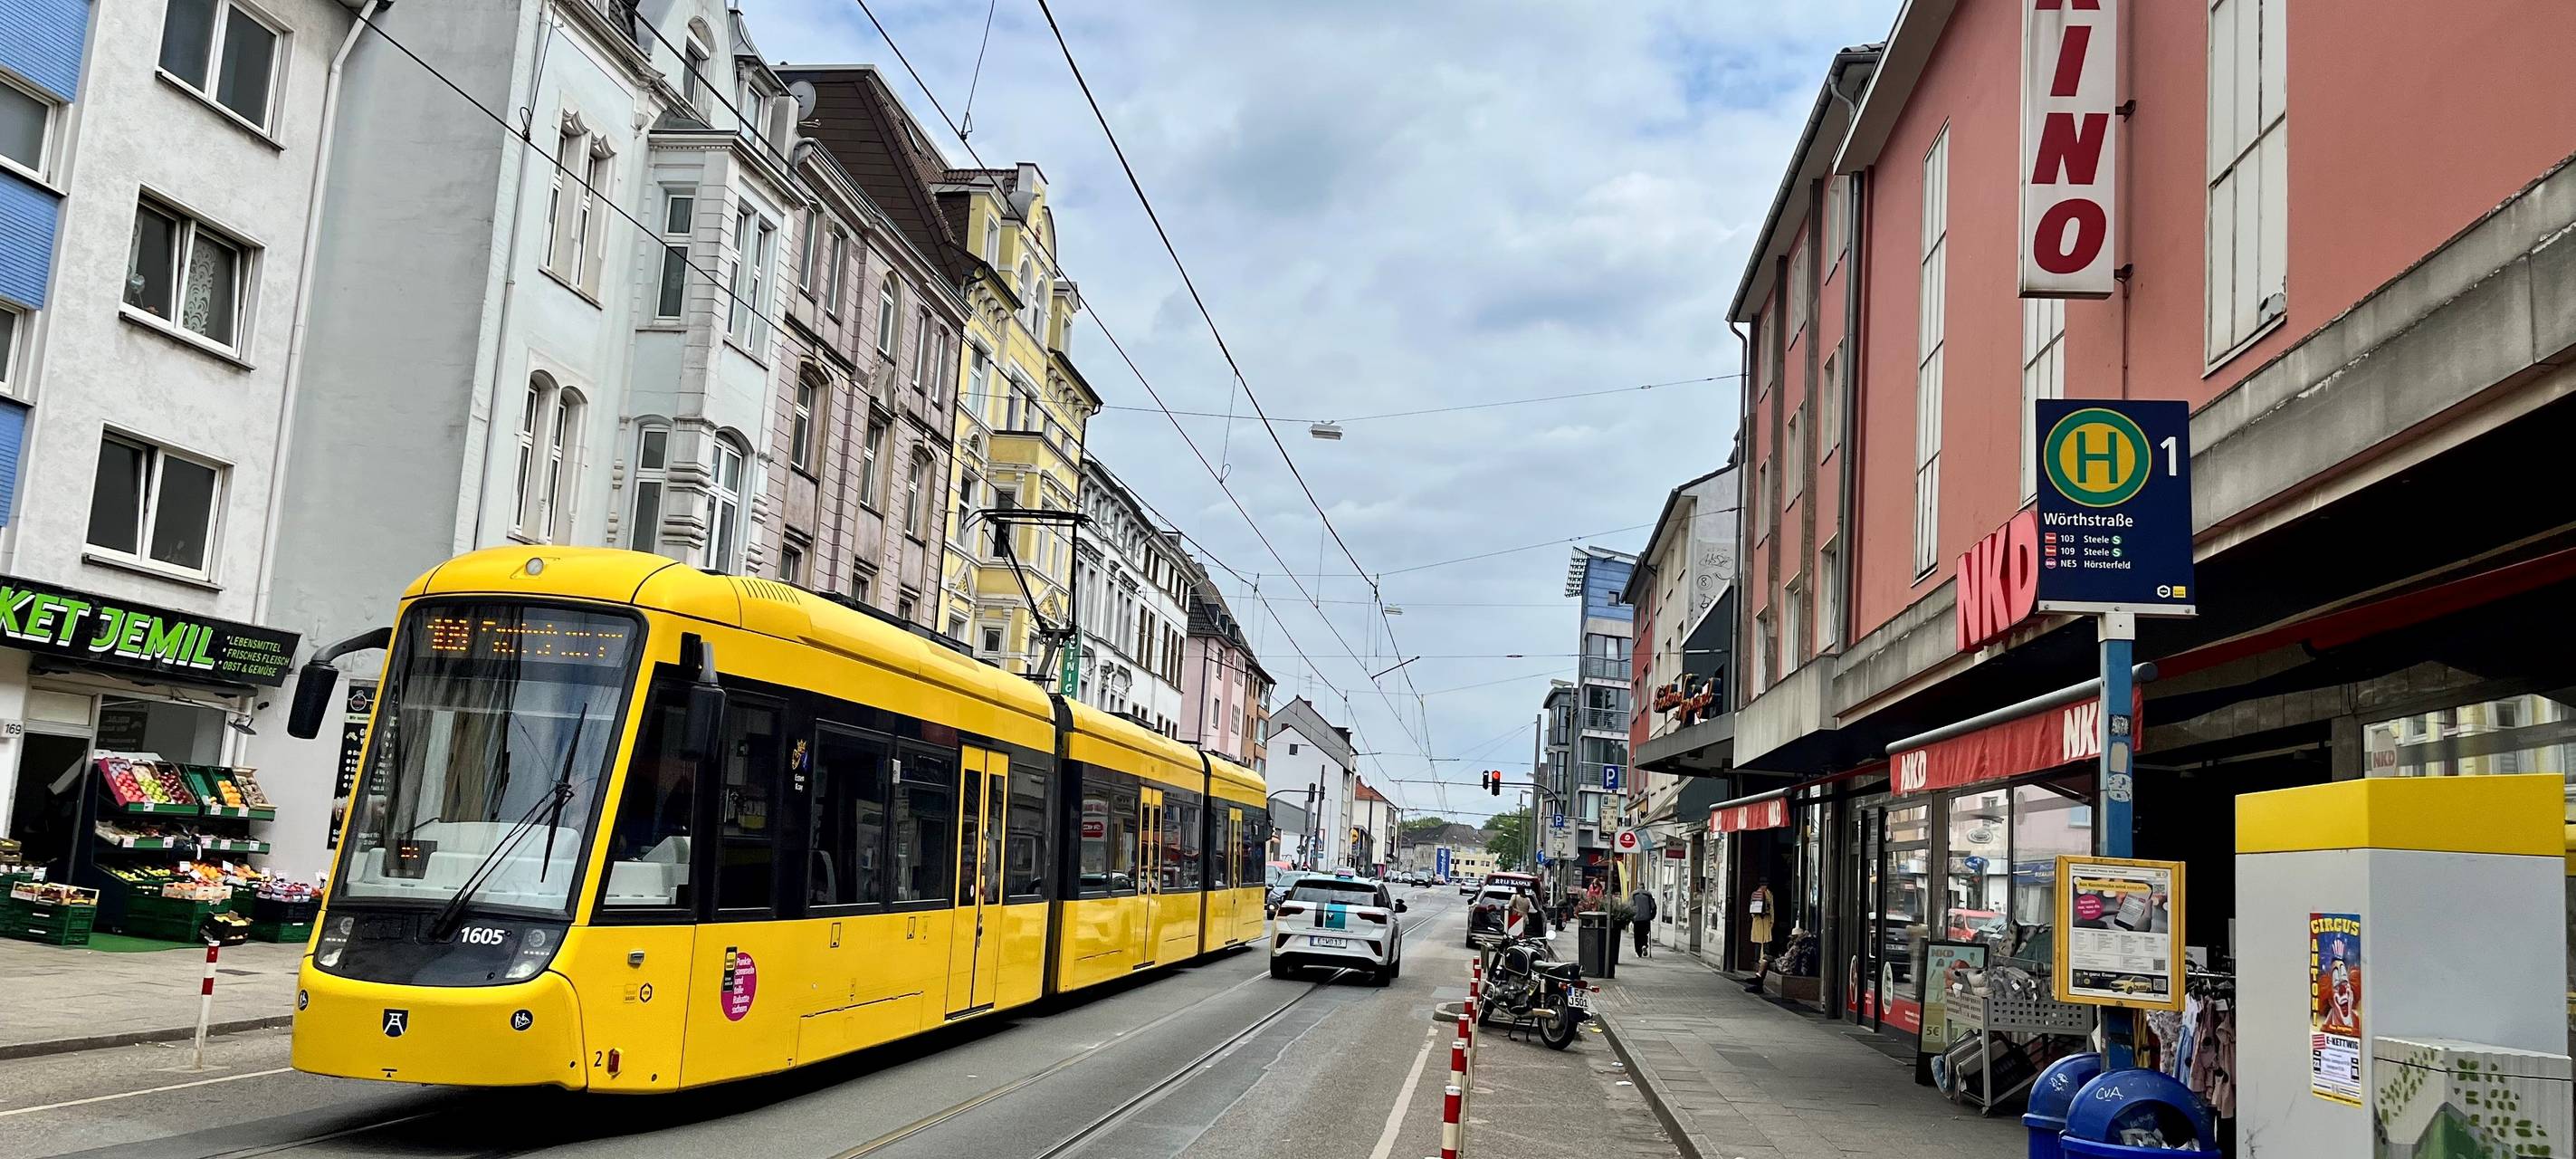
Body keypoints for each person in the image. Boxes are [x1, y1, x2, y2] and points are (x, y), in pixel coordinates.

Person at [1743, 878, 1777, 993]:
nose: (1764, 887)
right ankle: (1757, 959)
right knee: (1759, 941)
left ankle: (1763, 959)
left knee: (1765, 940)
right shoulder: (1758, 894)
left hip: (1764, 921)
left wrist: (1772, 920)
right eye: (1763, 885)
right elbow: (1754, 908)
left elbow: (1771, 908)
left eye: (1765, 885)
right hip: (1760, 921)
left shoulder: (1767, 894)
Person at [1628, 885, 1657, 956]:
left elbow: (1630, 906)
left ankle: (1638, 952)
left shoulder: (1634, 894)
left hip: (1636, 918)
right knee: (1644, 934)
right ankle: (1644, 945)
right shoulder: (1648, 894)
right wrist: (1652, 916)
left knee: (1637, 935)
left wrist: (1631, 917)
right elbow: (1653, 906)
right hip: (1646, 918)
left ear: (1638, 887)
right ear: (1644, 887)